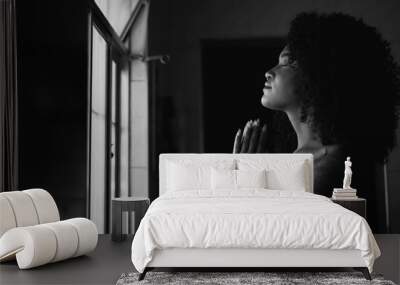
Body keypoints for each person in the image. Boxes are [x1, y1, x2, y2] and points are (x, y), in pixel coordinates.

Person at [233, 12, 400, 231]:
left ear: (320, 75)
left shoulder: (331, 165)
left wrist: (244, 184)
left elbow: (273, 231)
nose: (268, 73)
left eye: (287, 63)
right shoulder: (301, 158)